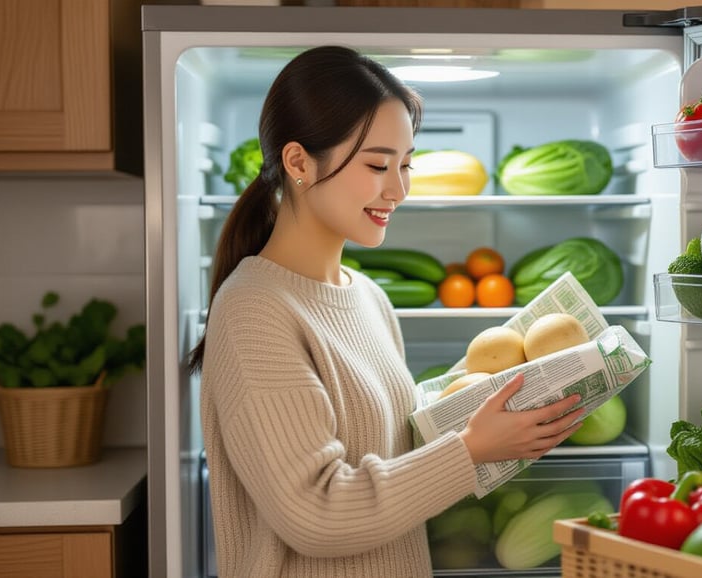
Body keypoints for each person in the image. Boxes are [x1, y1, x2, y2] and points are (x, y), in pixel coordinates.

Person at [187, 45, 585, 578]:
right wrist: (468, 450)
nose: (398, 189)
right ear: (298, 162)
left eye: (406, 164)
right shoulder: (253, 311)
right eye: (377, 165)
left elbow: (384, 448)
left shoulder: (367, 295)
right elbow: (315, 514)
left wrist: (491, 410)